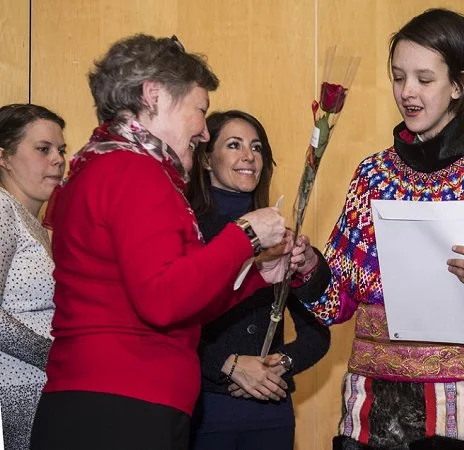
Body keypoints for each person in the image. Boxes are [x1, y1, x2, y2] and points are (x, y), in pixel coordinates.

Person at [299, 9, 464, 450]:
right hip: (366, 413)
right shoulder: (372, 175)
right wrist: (307, 265)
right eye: (398, 77)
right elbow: (335, 305)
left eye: (424, 79)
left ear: (459, 85)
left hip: (457, 416)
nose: (407, 92)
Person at [29, 35, 302, 450]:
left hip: (108, 401)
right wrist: (244, 235)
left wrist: (256, 274)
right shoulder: (133, 171)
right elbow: (162, 300)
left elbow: (181, 299)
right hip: (122, 407)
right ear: (153, 96)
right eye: (200, 110)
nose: (204, 132)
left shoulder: (102, 165)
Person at [186, 110, 331, 450]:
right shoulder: (189, 231)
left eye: (257, 147)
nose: (248, 156)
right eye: (234, 145)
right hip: (206, 406)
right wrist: (227, 364)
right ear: (206, 160)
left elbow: (318, 330)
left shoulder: (279, 235)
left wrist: (282, 363)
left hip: (271, 408)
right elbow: (170, 320)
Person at [0, 103, 66, 450]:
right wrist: (57, 356)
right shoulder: (2, 208)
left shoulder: (35, 225)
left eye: (60, 150)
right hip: (15, 392)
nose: (57, 159)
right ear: (4, 158)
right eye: (43, 149)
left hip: (40, 388)